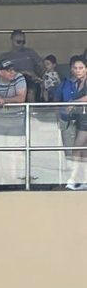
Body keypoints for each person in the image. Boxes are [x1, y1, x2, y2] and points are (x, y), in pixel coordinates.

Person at [0, 59, 27, 185]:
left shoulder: (19, 78)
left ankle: (13, 180)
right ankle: (4, 179)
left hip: (17, 120)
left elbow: (21, 98)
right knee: (1, 151)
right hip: (0, 121)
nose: (13, 72)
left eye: (13, 69)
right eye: (9, 71)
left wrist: (3, 100)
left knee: (14, 152)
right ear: (1, 72)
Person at [54, 55, 87, 189]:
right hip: (81, 118)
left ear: (86, 69)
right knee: (84, 150)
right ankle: (84, 180)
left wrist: (74, 102)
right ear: (71, 69)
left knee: (77, 147)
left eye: (81, 68)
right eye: (75, 68)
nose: (78, 70)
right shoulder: (77, 82)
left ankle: (72, 179)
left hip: (86, 119)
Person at [0, 29, 44, 99]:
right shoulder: (5, 56)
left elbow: (42, 65)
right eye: (18, 42)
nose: (21, 44)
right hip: (13, 81)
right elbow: (2, 73)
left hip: (30, 81)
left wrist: (37, 76)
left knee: (31, 90)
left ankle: (31, 109)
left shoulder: (30, 52)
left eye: (23, 42)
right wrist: (24, 72)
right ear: (12, 40)